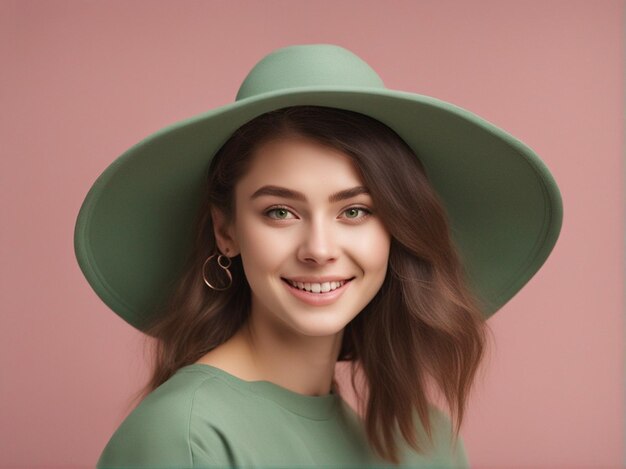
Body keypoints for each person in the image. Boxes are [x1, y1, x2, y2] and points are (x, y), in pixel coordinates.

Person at [74, 44, 563, 468]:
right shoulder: (185, 438)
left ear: (397, 227)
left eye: (354, 210)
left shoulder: (426, 442)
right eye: (281, 211)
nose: (319, 250)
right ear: (226, 231)